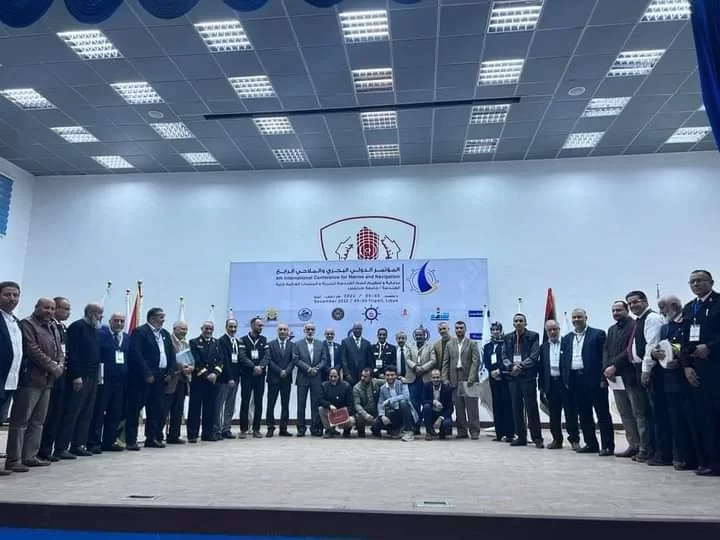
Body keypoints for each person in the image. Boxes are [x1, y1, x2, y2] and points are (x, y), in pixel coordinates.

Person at [4, 298, 64, 473]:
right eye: (46, 307)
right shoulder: (27, 324)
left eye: (52, 308)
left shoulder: (52, 326)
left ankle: (30, 456)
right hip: (31, 379)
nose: (49, 311)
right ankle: (14, 459)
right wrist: (53, 366)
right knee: (21, 421)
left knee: (38, 421)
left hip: (47, 381)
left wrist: (60, 364)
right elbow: (32, 349)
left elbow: (59, 349)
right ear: (36, 307)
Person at [652, 295, 702, 470]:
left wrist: (680, 360)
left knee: (691, 420)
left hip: (686, 377)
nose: (661, 312)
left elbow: (688, 345)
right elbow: (660, 347)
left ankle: (696, 458)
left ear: (673, 305)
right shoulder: (666, 327)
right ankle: (682, 456)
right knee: (676, 420)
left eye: (663, 307)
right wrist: (654, 354)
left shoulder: (688, 322)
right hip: (669, 380)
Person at [680, 269, 720, 476]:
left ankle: (716, 462)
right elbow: (684, 339)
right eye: (692, 281)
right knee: (702, 416)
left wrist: (711, 347)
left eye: (700, 280)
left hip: (715, 365)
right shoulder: (689, 307)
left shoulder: (718, 303)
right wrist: (686, 366)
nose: (696, 284)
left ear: (711, 282)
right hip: (696, 369)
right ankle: (704, 460)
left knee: (716, 415)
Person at [603, 300, 652, 459]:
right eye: (613, 311)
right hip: (615, 378)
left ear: (627, 310)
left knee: (639, 412)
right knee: (624, 413)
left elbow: (629, 350)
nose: (616, 313)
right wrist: (607, 368)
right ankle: (633, 445)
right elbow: (606, 350)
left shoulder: (634, 325)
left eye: (619, 310)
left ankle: (645, 447)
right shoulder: (611, 329)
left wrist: (615, 366)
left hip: (631, 376)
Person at [54, 303, 104, 459]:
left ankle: (78, 444)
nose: (101, 316)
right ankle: (61, 447)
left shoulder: (96, 330)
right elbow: (73, 353)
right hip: (79, 376)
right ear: (90, 313)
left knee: (86, 412)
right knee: (72, 412)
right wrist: (76, 375)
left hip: (93, 376)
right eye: (99, 313)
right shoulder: (77, 327)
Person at [561, 309, 612, 456]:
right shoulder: (567, 338)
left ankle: (607, 446)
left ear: (586, 318)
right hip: (575, 379)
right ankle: (591, 444)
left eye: (579, 317)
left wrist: (603, 378)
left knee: (602, 413)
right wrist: (566, 379)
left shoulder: (598, 334)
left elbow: (604, 357)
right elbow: (564, 360)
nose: (576, 320)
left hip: (594, 379)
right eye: (574, 317)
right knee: (584, 414)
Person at [126, 307, 175, 451]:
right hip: (143, 378)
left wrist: (170, 372)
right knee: (135, 409)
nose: (163, 320)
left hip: (161, 377)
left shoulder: (165, 334)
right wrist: (146, 373)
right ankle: (131, 440)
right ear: (152, 318)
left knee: (155, 409)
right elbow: (136, 354)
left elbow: (171, 354)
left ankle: (151, 438)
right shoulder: (140, 332)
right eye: (161, 317)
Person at [626, 290, 663, 463]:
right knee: (644, 412)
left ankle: (657, 451)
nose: (632, 305)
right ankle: (648, 449)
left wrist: (646, 370)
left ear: (645, 301)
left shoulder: (652, 318)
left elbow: (652, 345)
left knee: (654, 413)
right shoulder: (639, 321)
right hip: (638, 369)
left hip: (651, 370)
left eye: (635, 302)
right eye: (630, 303)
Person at [88, 312, 129, 453]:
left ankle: (110, 441)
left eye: (122, 321)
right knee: (99, 412)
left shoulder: (126, 338)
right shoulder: (101, 335)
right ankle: (93, 442)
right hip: (104, 380)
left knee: (115, 412)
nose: (119, 324)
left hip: (120, 381)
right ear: (110, 321)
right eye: (116, 320)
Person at [503, 313, 543, 448]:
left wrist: (520, 366)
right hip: (513, 377)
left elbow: (534, 355)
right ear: (513, 324)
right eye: (516, 321)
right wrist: (511, 366)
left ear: (526, 323)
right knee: (516, 408)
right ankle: (521, 437)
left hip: (527, 377)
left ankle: (537, 438)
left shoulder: (533, 336)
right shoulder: (508, 337)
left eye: (521, 321)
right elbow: (504, 356)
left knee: (531, 408)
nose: (518, 323)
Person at [39, 296, 71, 462]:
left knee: (56, 414)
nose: (68, 312)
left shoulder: (63, 328)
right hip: (48, 374)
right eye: (65, 309)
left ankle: (47, 449)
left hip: (62, 375)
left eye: (69, 309)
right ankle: (39, 450)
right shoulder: (48, 327)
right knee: (46, 414)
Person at [538, 320, 579, 450]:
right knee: (554, 415)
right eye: (549, 330)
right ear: (546, 332)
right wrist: (541, 387)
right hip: (551, 384)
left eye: (555, 329)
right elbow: (541, 368)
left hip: (565, 383)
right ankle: (557, 440)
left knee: (570, 413)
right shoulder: (543, 347)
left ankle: (574, 440)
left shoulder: (567, 343)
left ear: (559, 329)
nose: (552, 332)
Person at [442, 320, 481, 439]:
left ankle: (474, 431)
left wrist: (471, 377)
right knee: (459, 408)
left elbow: (476, 361)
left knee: (472, 408)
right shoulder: (449, 344)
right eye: (457, 328)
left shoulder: (472, 343)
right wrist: (445, 378)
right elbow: (445, 362)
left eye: (461, 328)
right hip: (454, 378)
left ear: (465, 329)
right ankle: (462, 431)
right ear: (454, 330)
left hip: (469, 378)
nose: (459, 330)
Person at [0, 281, 23, 473]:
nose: (12, 299)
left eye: (15, 295)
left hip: (11, 380)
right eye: (7, 295)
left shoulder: (16, 321)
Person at [187, 322, 222, 443]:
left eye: (211, 329)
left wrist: (215, 373)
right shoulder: (194, 342)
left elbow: (221, 360)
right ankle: (192, 434)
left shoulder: (217, 343)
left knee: (210, 409)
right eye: (206, 328)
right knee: (195, 408)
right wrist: (207, 374)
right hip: (199, 380)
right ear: (201, 329)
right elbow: (196, 360)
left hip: (213, 381)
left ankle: (207, 434)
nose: (208, 331)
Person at [238, 316, 269, 438]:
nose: (261, 327)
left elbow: (267, 356)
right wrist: (253, 367)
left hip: (260, 376)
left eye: (262, 326)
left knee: (258, 402)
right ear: (252, 326)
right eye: (259, 325)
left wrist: (260, 367)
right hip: (247, 375)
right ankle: (243, 429)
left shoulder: (264, 340)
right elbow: (242, 356)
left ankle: (256, 429)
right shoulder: (243, 340)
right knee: (245, 402)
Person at [295, 322, 326, 437]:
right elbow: (296, 359)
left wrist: (316, 369)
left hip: (316, 378)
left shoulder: (320, 344)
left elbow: (324, 359)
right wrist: (308, 369)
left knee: (315, 404)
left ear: (315, 331)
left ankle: (314, 427)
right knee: (301, 404)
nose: (310, 331)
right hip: (303, 377)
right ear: (304, 331)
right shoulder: (297, 344)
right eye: (308, 329)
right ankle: (301, 428)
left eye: (312, 329)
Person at [265, 323, 296, 437]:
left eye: (285, 329)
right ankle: (270, 427)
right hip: (273, 378)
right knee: (270, 404)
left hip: (286, 379)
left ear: (288, 332)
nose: (282, 331)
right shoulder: (270, 344)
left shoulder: (292, 345)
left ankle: (283, 428)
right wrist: (280, 371)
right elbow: (269, 360)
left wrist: (286, 371)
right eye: (280, 329)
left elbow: (293, 360)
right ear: (277, 331)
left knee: (285, 404)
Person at [163, 321, 191, 444]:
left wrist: (191, 367)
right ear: (174, 328)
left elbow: (190, 360)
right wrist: (179, 366)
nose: (184, 332)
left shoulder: (186, 343)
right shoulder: (168, 341)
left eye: (185, 329)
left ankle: (174, 435)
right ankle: (157, 435)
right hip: (171, 379)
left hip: (182, 380)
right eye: (182, 329)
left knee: (178, 410)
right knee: (164, 409)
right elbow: (167, 359)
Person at [485, 322, 514, 442]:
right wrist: (491, 372)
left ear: (501, 331)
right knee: (496, 406)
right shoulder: (488, 346)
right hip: (493, 379)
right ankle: (499, 433)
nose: (495, 332)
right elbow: (486, 361)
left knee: (507, 406)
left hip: (505, 378)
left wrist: (500, 371)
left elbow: (507, 359)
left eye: (497, 329)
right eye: (493, 330)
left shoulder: (506, 343)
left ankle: (509, 434)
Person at [372, 366, 415, 441]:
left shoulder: (402, 383)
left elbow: (406, 396)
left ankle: (409, 431)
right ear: (384, 376)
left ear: (396, 375)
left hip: (406, 412)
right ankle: (394, 430)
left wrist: (390, 400)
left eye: (392, 375)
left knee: (403, 402)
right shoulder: (382, 388)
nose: (390, 377)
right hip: (393, 412)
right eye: (388, 375)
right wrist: (382, 415)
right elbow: (380, 403)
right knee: (376, 423)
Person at [405, 327, 433, 435]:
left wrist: (423, 368)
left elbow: (433, 360)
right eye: (417, 335)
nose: (419, 337)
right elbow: (407, 359)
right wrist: (415, 367)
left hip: (426, 379)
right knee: (414, 404)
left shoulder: (430, 347)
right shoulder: (410, 346)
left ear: (424, 335)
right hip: (413, 379)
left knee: (426, 403)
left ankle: (428, 427)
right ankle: (415, 427)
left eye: (420, 335)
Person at [215, 319, 240, 439]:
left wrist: (235, 378)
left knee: (230, 405)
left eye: (235, 327)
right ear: (226, 327)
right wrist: (230, 378)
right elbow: (224, 361)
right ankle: (217, 429)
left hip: (235, 378)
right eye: (231, 326)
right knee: (219, 405)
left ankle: (227, 428)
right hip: (224, 379)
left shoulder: (237, 341)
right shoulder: (221, 341)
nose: (233, 329)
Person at [318, 368, 355, 438]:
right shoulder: (324, 385)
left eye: (335, 376)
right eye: (331, 376)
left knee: (352, 420)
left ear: (339, 376)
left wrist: (343, 413)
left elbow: (350, 405)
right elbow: (320, 400)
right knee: (321, 409)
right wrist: (329, 405)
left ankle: (346, 431)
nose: (333, 378)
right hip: (331, 412)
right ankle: (329, 430)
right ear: (328, 376)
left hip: (342, 413)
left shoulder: (346, 386)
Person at [422, 368, 453, 440]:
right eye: (434, 377)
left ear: (441, 378)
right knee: (426, 407)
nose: (436, 379)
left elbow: (450, 408)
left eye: (437, 377)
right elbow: (423, 401)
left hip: (442, 414)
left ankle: (442, 432)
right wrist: (433, 402)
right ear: (431, 378)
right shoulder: (426, 386)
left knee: (447, 423)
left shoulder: (447, 389)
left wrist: (441, 418)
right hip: (431, 413)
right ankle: (429, 432)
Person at [352, 367, 383, 438]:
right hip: (364, 411)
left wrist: (400, 379)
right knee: (359, 416)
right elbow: (357, 405)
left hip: (375, 410)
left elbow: (388, 381)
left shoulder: (376, 382)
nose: (362, 378)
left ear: (371, 378)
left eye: (365, 376)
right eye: (362, 376)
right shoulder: (356, 388)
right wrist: (365, 415)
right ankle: (361, 431)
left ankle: (376, 429)